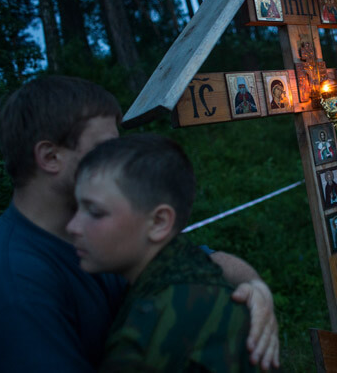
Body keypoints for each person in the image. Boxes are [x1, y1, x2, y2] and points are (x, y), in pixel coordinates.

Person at [0, 76, 279, 371]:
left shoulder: (103, 235)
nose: (118, 158)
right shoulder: (11, 284)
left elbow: (193, 260)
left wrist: (255, 288)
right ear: (50, 157)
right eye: (105, 148)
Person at [66, 133, 253, 371]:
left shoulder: (140, 340)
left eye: (95, 212)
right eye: (76, 208)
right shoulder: (190, 273)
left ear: (158, 222)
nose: (72, 227)